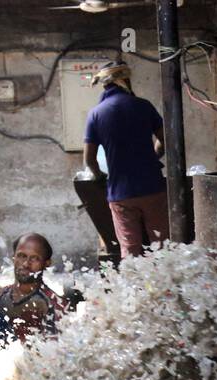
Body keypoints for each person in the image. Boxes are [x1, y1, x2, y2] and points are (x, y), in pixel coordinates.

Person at [82, 61, 169, 261]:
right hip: (152, 187)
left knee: (130, 250)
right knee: (162, 245)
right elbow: (165, 140)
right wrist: (153, 157)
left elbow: (89, 158)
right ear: (126, 80)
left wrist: (100, 177)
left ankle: (135, 290)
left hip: (121, 193)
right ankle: (166, 288)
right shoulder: (143, 106)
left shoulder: (96, 114)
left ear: (104, 85)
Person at [0, 233, 71, 353]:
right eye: (21, 256)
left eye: (34, 258)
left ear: (47, 263)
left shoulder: (54, 305)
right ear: (14, 257)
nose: (26, 263)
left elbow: (56, 355)